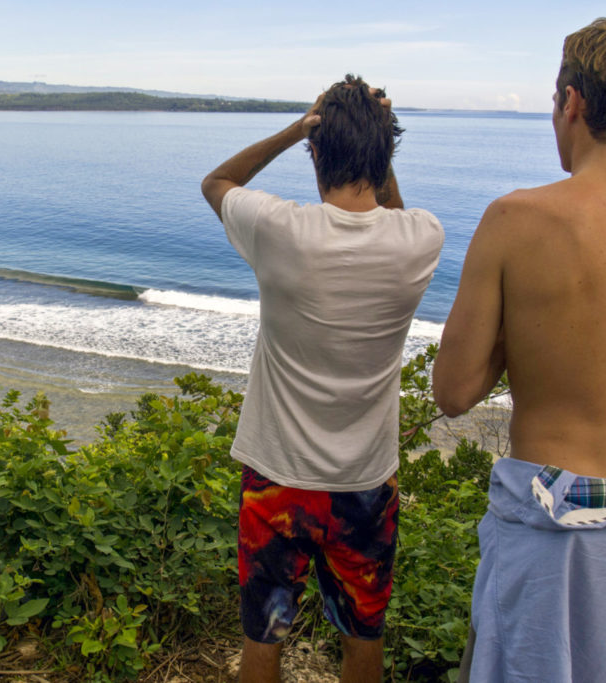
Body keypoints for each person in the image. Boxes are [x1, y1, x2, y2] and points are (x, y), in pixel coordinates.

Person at [433, 17, 606, 682]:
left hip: (545, 532)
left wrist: (522, 334)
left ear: (572, 101)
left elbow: (454, 390)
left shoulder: (513, 221)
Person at [201, 75, 444, 683]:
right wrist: (377, 144)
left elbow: (217, 183)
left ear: (316, 151)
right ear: (385, 155)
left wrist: (296, 128)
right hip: (364, 479)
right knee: (364, 634)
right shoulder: (422, 239)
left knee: (265, 634)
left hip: (278, 476)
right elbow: (396, 215)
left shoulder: (280, 230)